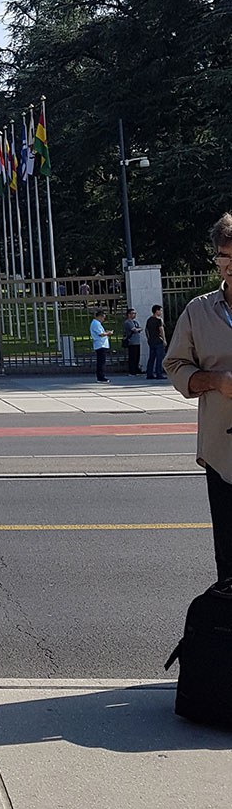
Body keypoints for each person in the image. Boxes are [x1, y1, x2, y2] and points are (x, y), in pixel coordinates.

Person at [164, 214, 232, 582]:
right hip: (222, 449)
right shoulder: (198, 310)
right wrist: (213, 381)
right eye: (224, 257)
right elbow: (175, 364)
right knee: (227, 547)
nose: (230, 266)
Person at [146, 305, 168, 380]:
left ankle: (149, 373)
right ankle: (159, 373)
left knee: (151, 358)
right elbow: (161, 330)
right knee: (159, 358)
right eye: (160, 310)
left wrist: (148, 339)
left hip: (151, 341)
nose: (161, 312)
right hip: (158, 341)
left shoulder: (149, 320)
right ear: (156, 311)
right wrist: (164, 340)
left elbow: (147, 330)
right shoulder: (159, 320)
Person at [90, 311, 110, 382]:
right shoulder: (96, 323)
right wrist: (108, 333)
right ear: (99, 317)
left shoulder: (97, 323)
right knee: (101, 362)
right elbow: (100, 334)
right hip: (100, 344)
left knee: (101, 361)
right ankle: (101, 377)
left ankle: (101, 376)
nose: (103, 320)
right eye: (103, 318)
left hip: (101, 344)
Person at [121, 308, 142, 375]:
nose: (134, 315)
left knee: (137, 356)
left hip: (137, 341)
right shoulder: (128, 322)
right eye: (133, 313)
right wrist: (139, 329)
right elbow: (134, 330)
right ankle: (132, 371)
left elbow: (139, 328)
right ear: (129, 314)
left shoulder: (135, 322)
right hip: (132, 342)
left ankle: (136, 369)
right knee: (132, 357)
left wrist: (138, 329)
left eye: (135, 313)